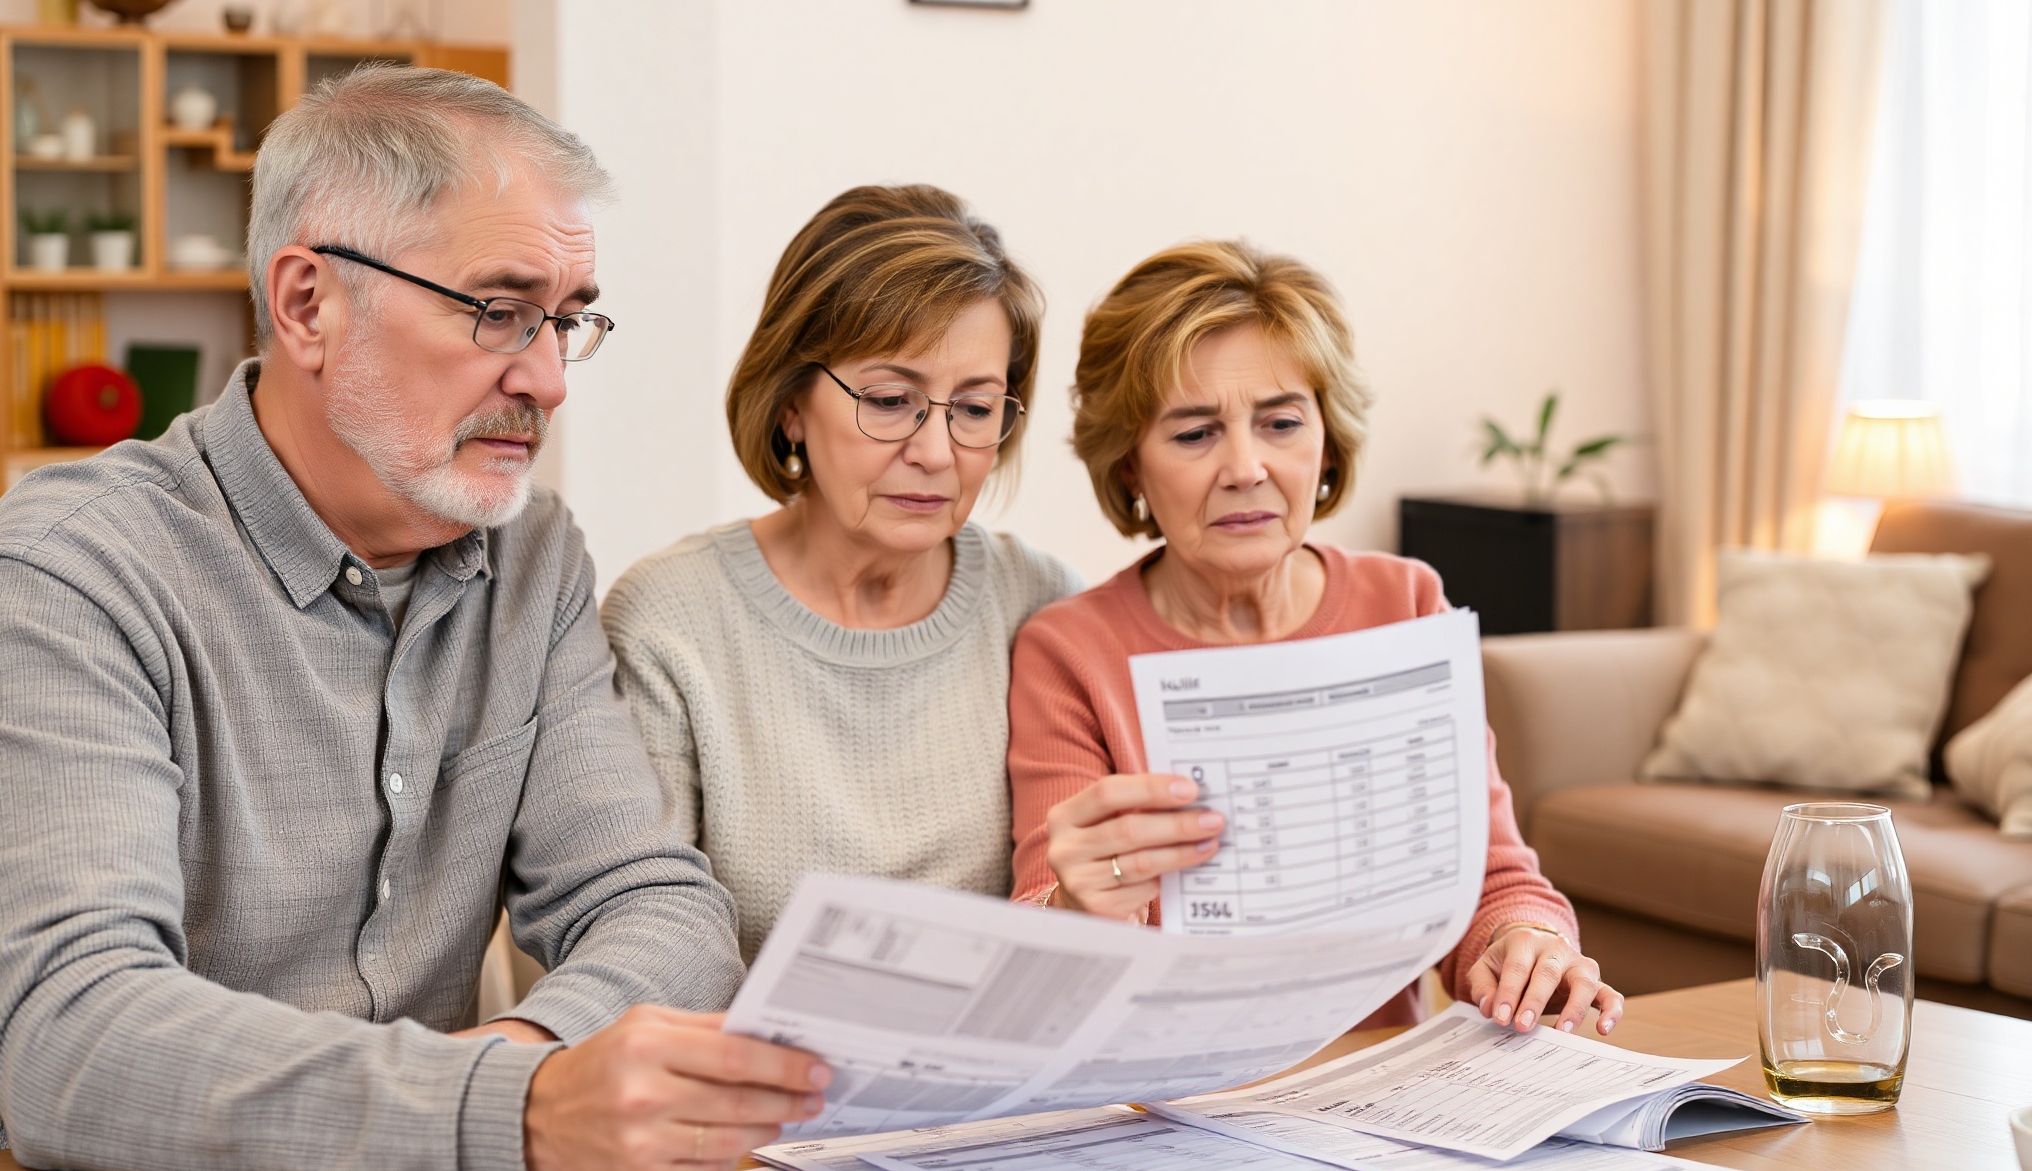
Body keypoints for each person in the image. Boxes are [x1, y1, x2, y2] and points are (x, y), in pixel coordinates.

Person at [0, 66, 828, 1171]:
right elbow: (71, 1030)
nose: (544, 378)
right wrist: (517, 1110)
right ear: (307, 305)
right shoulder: (71, 569)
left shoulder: (531, 559)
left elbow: (656, 907)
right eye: (497, 309)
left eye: (565, 320)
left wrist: (530, 1077)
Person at [1008, 240, 1621, 1037]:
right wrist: (1079, 910)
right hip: (1163, 1101)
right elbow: (1040, 930)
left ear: (1325, 441)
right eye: (1194, 434)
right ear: (1130, 468)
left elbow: (1491, 878)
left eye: (1282, 423)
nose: (1247, 467)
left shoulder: (1405, 604)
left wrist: (1525, 944)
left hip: (1367, 1095)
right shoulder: (1070, 650)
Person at [604, 185, 1076, 957]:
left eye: (975, 408)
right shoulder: (670, 619)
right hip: (752, 1068)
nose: (935, 452)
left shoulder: (1042, 604)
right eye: (890, 400)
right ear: (792, 404)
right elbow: (639, 934)